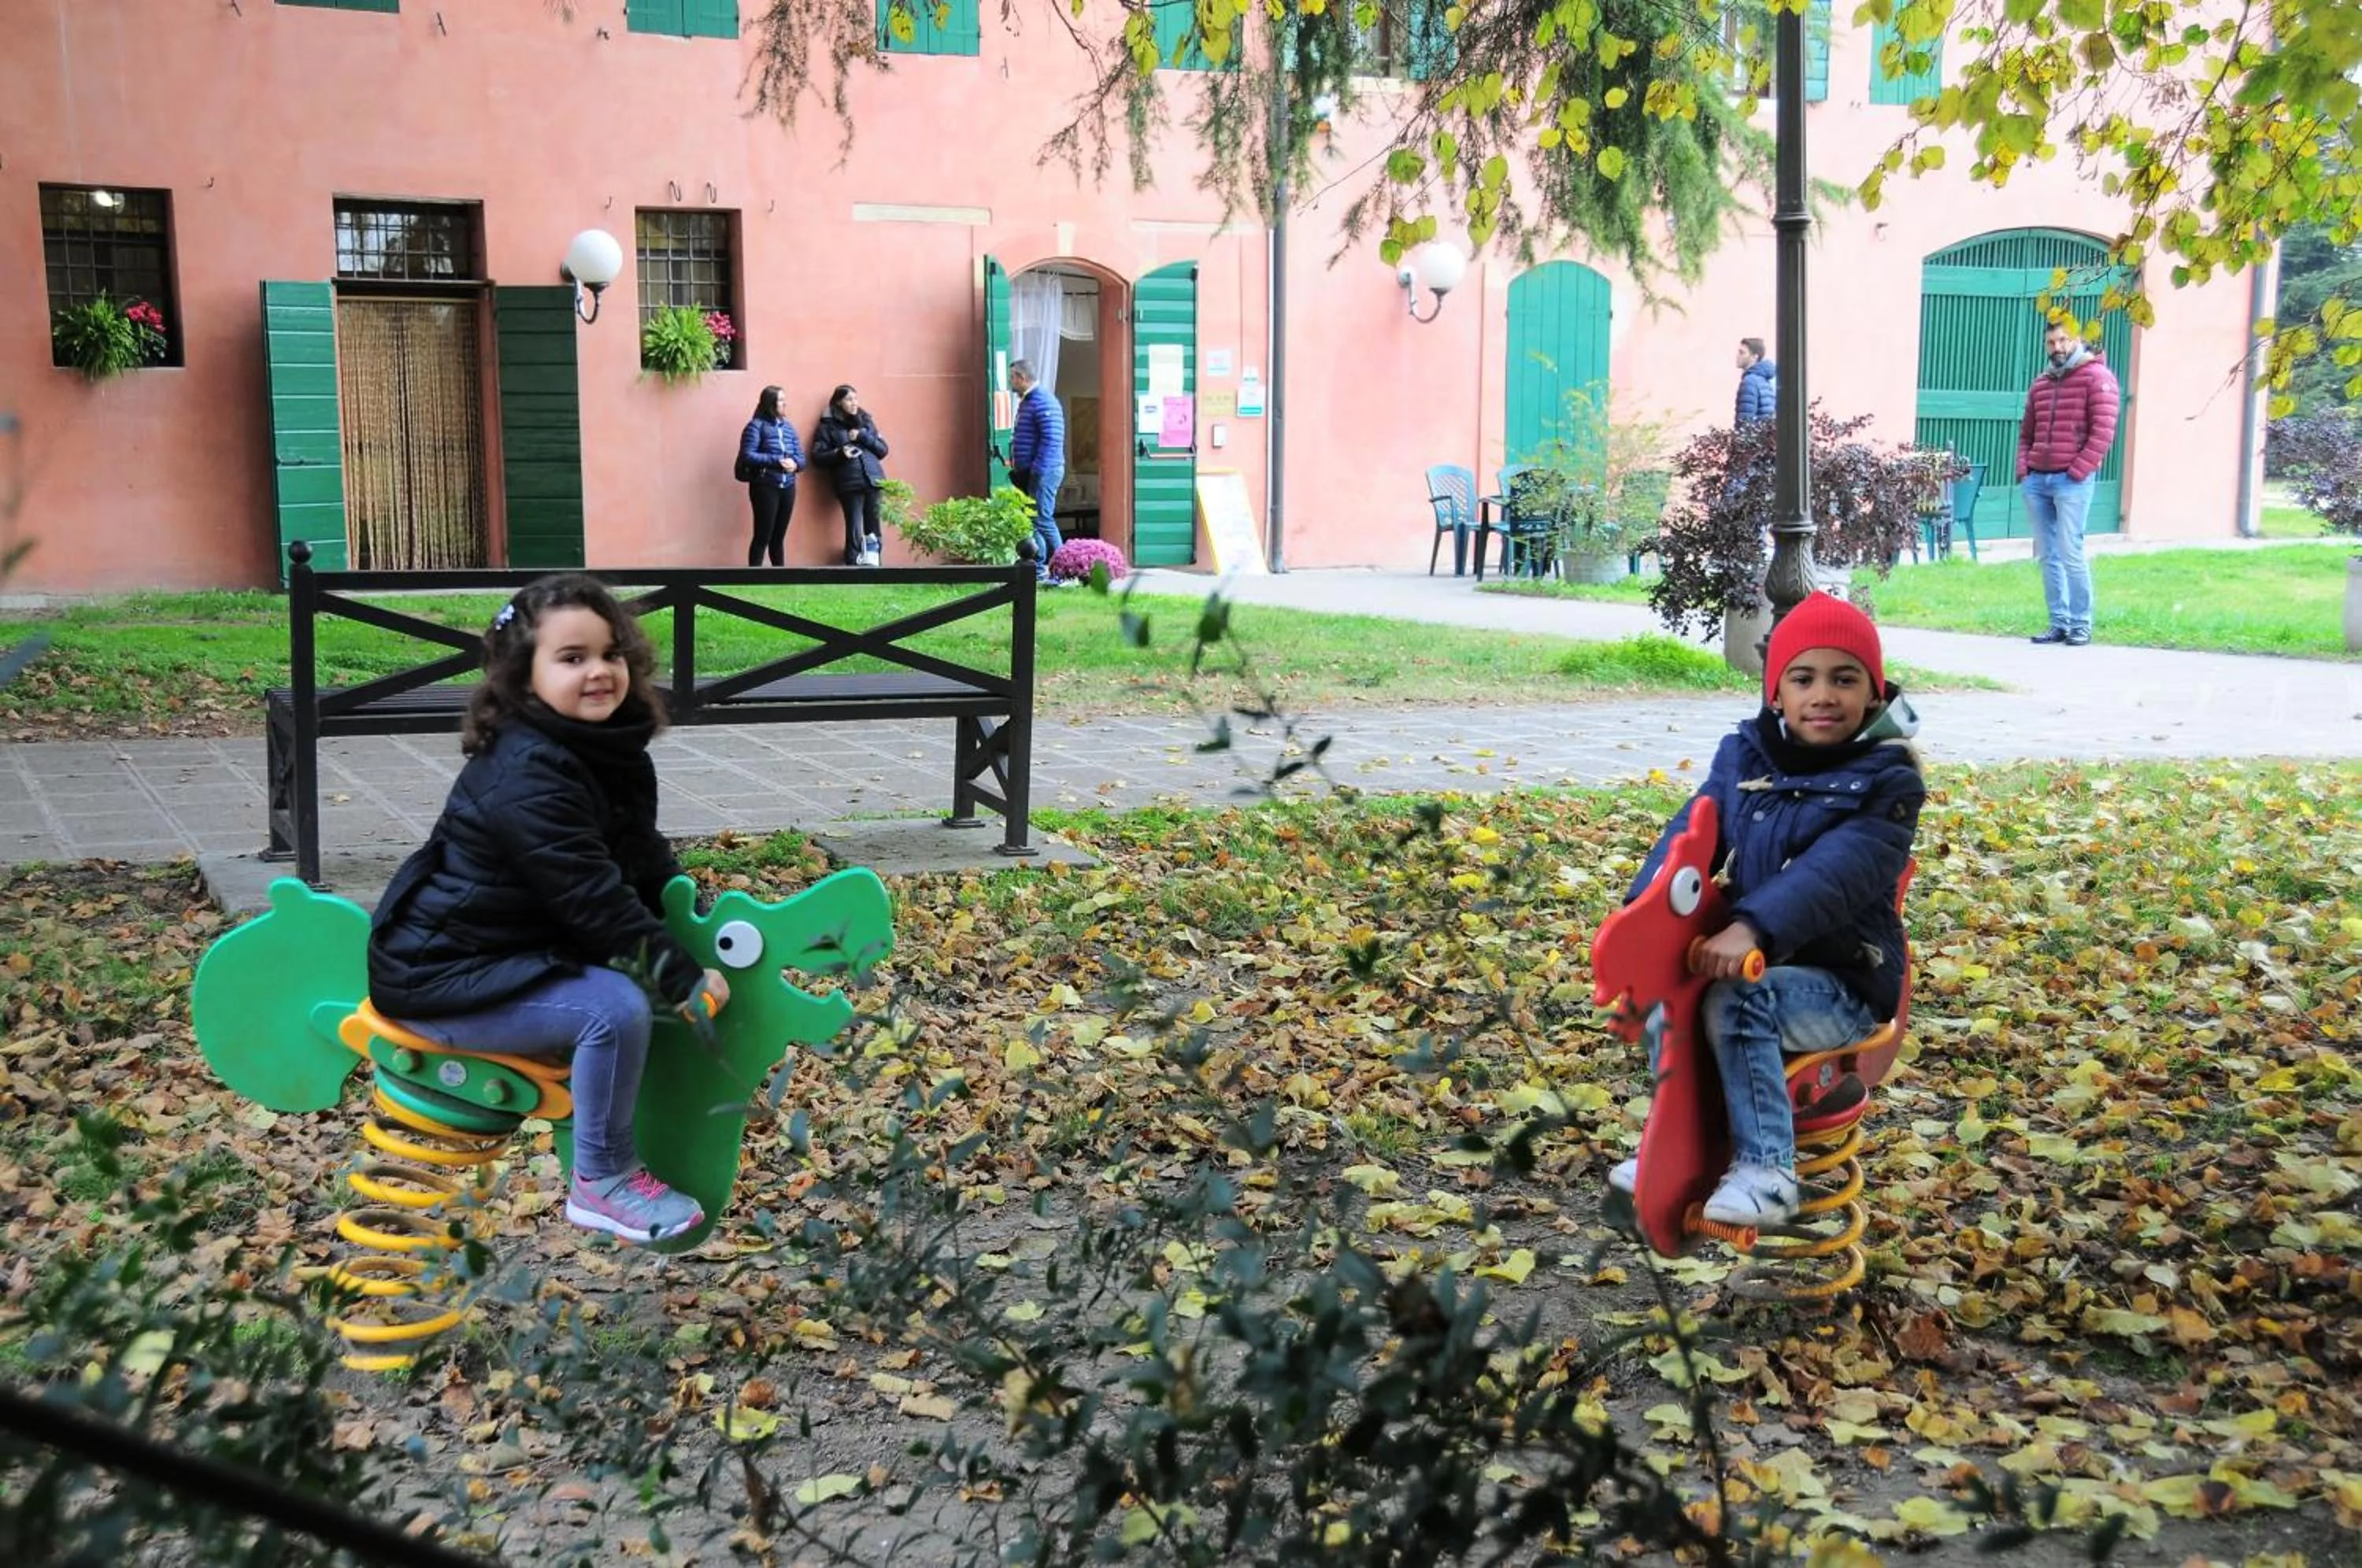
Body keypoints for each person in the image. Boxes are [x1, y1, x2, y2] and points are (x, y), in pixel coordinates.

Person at [366, 575, 731, 1245]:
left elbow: (641, 856)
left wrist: (690, 920)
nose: (599, 671)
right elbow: (590, 896)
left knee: (627, 993)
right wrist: (677, 975)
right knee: (612, 1008)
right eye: (572, 658)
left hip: (511, 955)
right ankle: (602, 1179)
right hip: (444, 978)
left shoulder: (608, 748)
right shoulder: (528, 774)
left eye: (611, 653)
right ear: (521, 678)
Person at [1610, 592, 1923, 1227]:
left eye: (1845, 678)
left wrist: (1753, 926)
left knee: (1736, 1001)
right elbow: (1690, 836)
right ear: (1775, 693)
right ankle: (1679, 1145)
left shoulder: (1889, 780)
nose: (1824, 695)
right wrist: (1643, 916)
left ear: (1874, 692)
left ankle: (1766, 1171)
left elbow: (1835, 872)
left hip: (1845, 981)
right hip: (1757, 960)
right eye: (1803, 678)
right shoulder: (1746, 757)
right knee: (1671, 1002)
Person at [2016, 323, 2120, 646]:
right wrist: (2025, 470)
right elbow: (2026, 433)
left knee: (2070, 552)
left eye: (2063, 340)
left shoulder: (2097, 378)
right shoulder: (2041, 384)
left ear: (2077, 340)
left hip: (2071, 481)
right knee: (2047, 556)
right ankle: (2058, 623)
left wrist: (2077, 471)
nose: (2057, 347)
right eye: (2051, 342)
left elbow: (2102, 433)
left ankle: (2080, 624)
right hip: (2038, 480)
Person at [814, 384, 890, 568]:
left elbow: (883, 450)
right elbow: (818, 456)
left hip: (873, 478)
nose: (854, 403)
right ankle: (853, 565)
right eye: (849, 399)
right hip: (849, 482)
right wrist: (840, 453)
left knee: (874, 524)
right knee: (855, 525)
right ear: (839, 402)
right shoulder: (828, 425)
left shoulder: (866, 421)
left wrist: (863, 436)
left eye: (856, 398)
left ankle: (875, 564)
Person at [1007, 359, 1066, 584]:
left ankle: (1063, 566)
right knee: (1033, 520)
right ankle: (1040, 567)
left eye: (1013, 377)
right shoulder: (1030, 401)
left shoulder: (1043, 401)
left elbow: (1052, 440)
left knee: (1042, 519)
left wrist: (1037, 471)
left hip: (1044, 471)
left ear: (1022, 378)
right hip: (1034, 472)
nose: (1011, 381)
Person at [739, 386, 804, 568]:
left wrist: (796, 464)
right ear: (771, 404)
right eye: (781, 400)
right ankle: (754, 578)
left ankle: (779, 579)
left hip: (788, 487)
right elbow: (748, 455)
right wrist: (777, 460)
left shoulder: (789, 428)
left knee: (779, 538)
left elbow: (801, 457)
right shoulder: (755, 426)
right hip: (765, 487)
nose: (786, 404)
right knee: (762, 536)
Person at [1734, 337, 1777, 426]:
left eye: (1742, 353)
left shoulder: (1749, 381)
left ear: (1754, 358)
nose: (1737, 356)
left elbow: (1745, 421)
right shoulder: (1765, 380)